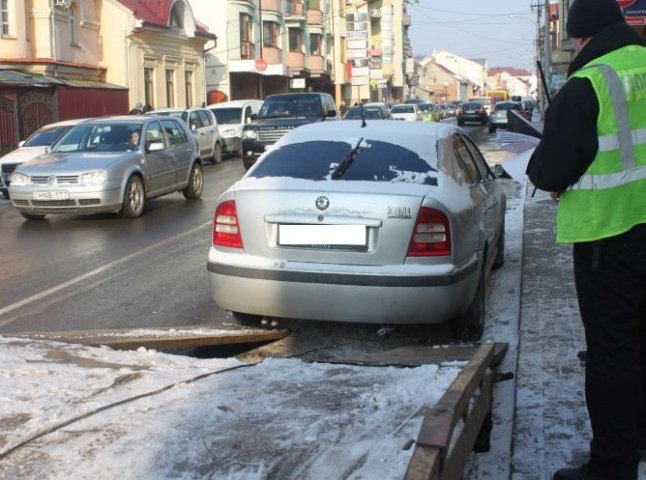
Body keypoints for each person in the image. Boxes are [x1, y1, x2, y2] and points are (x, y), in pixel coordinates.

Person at [526, 0, 646, 479]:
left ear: (581, 37)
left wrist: (550, 172)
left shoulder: (588, 83)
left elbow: (549, 169)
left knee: (612, 354)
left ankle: (612, 466)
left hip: (610, 238)